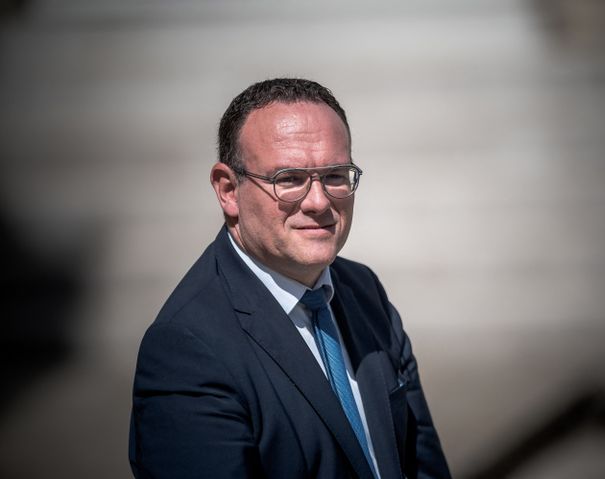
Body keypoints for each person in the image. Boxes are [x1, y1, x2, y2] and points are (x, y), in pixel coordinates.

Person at [129, 78, 451, 479]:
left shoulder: (363, 291)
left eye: (335, 174)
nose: (318, 202)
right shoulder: (188, 350)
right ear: (228, 190)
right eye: (289, 179)